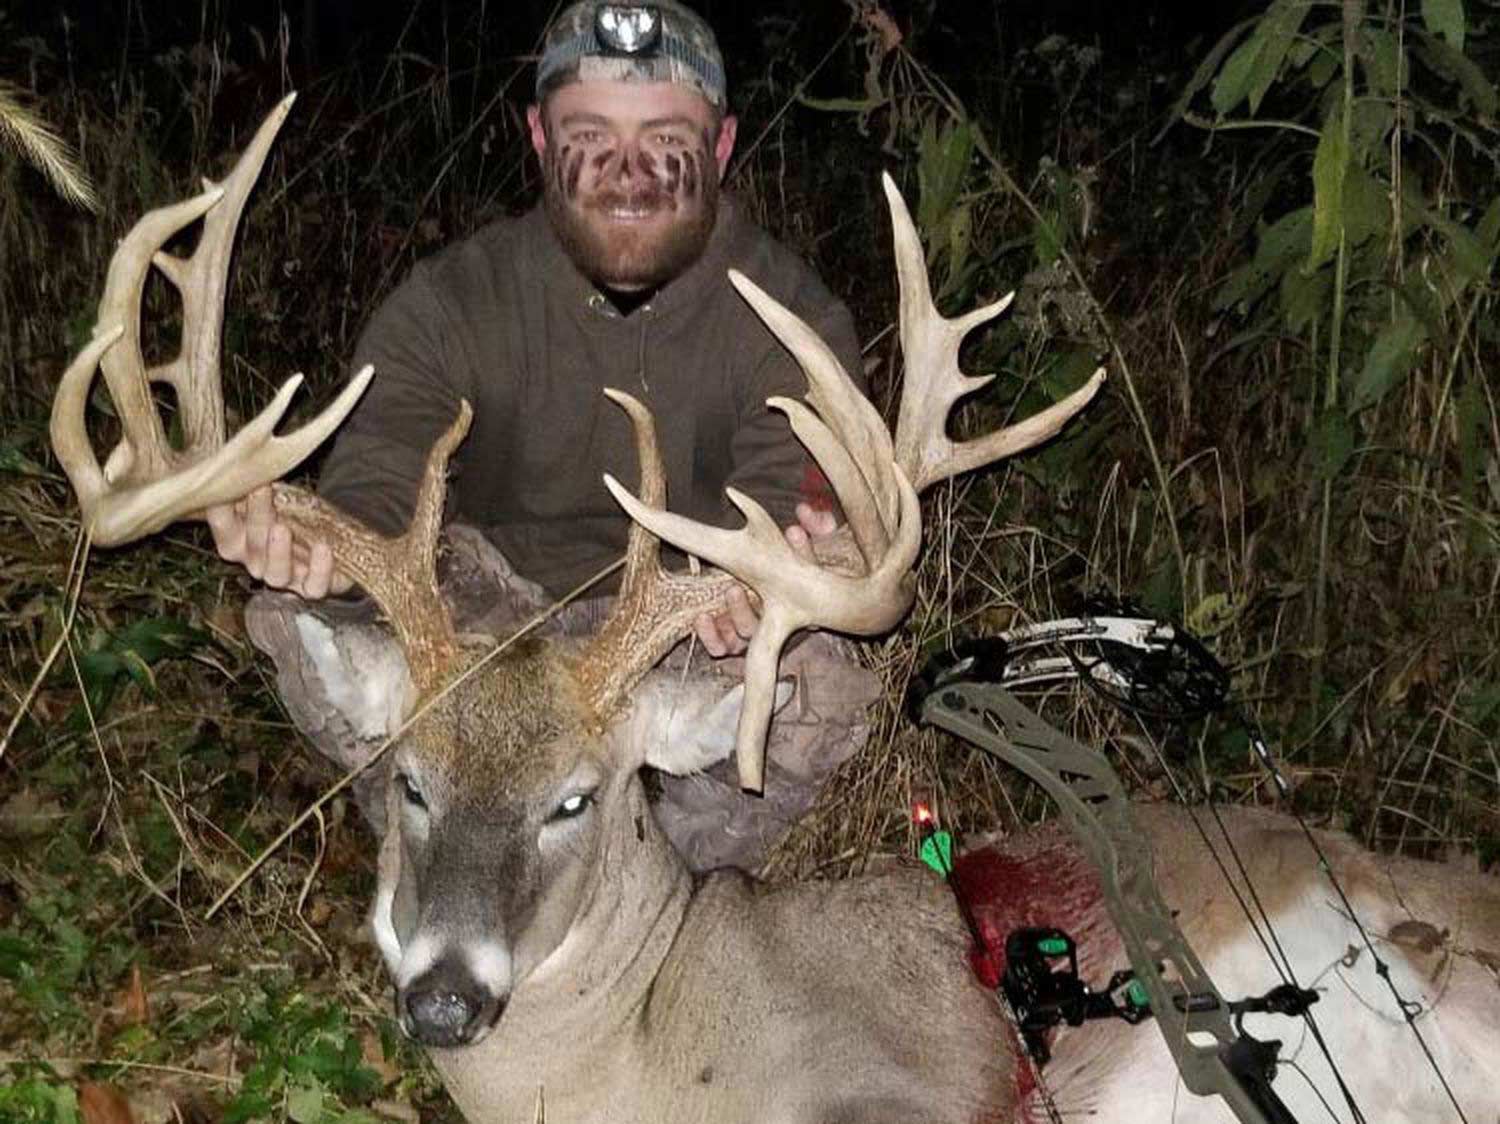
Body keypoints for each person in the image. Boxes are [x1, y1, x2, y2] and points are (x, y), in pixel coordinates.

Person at [217, 0, 881, 869]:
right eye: (591, 137)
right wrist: (325, 552)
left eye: (667, 140)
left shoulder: (792, 318)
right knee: (299, 615)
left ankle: (643, 885)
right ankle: (468, 854)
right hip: (489, 634)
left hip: (663, 647)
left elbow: (792, 504)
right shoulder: (454, 300)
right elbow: (378, 476)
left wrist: (767, 583)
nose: (630, 172)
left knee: (812, 677)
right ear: (538, 138)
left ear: (720, 148)